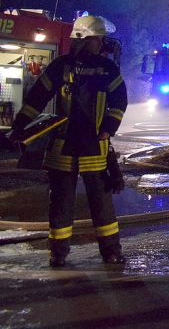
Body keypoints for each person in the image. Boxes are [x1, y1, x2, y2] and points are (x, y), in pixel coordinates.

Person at [9, 15, 128, 267]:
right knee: (64, 204)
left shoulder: (99, 68)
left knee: (98, 205)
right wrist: (19, 127)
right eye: (97, 39)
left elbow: (119, 102)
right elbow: (37, 99)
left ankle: (105, 251)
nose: (101, 44)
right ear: (84, 39)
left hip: (89, 147)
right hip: (73, 149)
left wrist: (108, 128)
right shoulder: (77, 67)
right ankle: (63, 253)